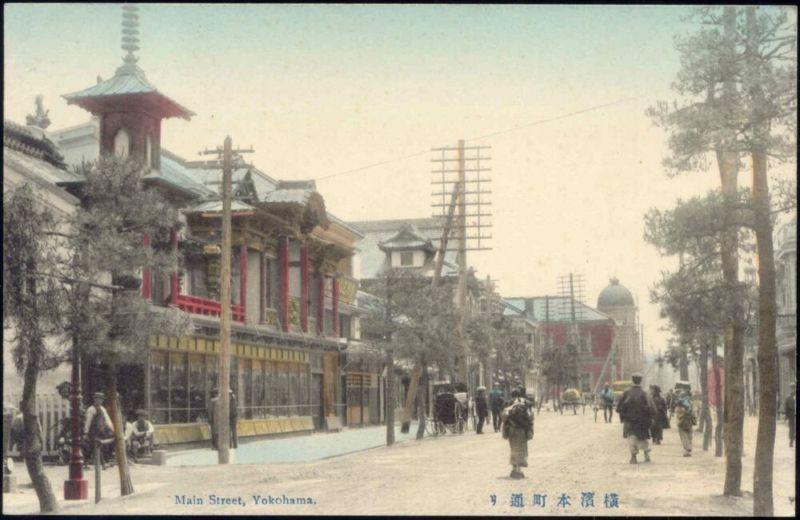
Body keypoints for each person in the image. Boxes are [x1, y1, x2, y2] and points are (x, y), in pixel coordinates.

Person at [616, 373, 653, 464]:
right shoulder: (645, 393)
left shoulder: (626, 393)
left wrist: (624, 416)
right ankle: (646, 455)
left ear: (633, 380)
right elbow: (651, 408)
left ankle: (633, 457)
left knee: (632, 437)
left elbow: (619, 408)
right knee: (644, 437)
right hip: (643, 421)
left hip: (630, 420)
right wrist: (649, 418)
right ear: (641, 381)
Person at [501, 388, 534, 479]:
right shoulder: (526, 403)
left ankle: (514, 469)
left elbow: (504, 418)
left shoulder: (509, 403)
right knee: (522, 449)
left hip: (512, 429)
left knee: (513, 448)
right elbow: (531, 417)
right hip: (523, 430)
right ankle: (519, 470)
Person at [84, 391, 115, 469]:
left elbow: (107, 420)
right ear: (95, 400)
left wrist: (113, 430)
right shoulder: (91, 409)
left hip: (101, 430)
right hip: (93, 431)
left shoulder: (103, 409)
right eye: (98, 399)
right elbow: (88, 421)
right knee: (93, 446)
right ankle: (88, 463)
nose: (99, 401)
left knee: (103, 445)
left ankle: (104, 462)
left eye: (101, 399)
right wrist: (86, 432)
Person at [674, 385, 696, 457]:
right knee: (689, 434)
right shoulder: (690, 402)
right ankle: (688, 448)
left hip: (681, 420)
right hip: (689, 420)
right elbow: (693, 411)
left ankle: (687, 449)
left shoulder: (679, 404)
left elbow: (677, 411)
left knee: (683, 435)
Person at [785, 382, 796, 448]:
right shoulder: (788, 398)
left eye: (794, 388)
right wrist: (786, 416)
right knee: (791, 428)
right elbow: (786, 408)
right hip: (792, 415)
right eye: (792, 388)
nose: (793, 389)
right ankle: (791, 441)